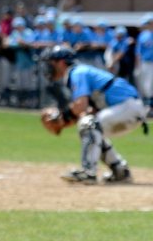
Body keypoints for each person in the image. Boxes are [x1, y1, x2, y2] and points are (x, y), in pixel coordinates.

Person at [39, 45, 147, 183]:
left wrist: (62, 117)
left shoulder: (77, 72)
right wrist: (63, 122)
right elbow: (86, 111)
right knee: (92, 129)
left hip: (127, 108)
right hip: (128, 110)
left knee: (89, 125)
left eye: (50, 62)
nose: (48, 67)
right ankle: (120, 171)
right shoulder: (79, 72)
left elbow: (81, 105)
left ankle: (88, 172)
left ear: (61, 62)